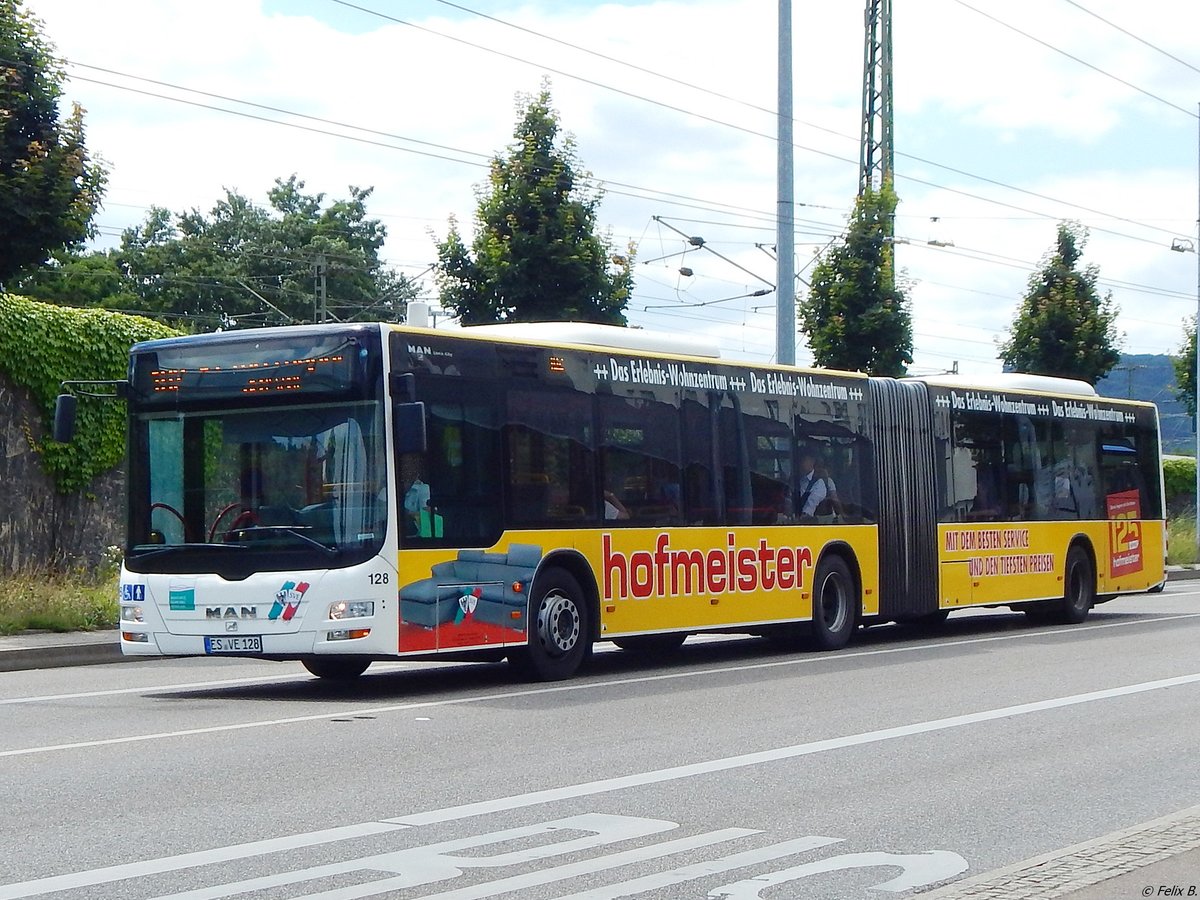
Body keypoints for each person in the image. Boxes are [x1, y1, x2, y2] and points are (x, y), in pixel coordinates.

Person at [796, 451, 827, 518]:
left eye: (804, 460)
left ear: (812, 461)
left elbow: (811, 505)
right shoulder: (797, 480)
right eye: (800, 460)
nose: (801, 463)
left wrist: (801, 518)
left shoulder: (818, 483)